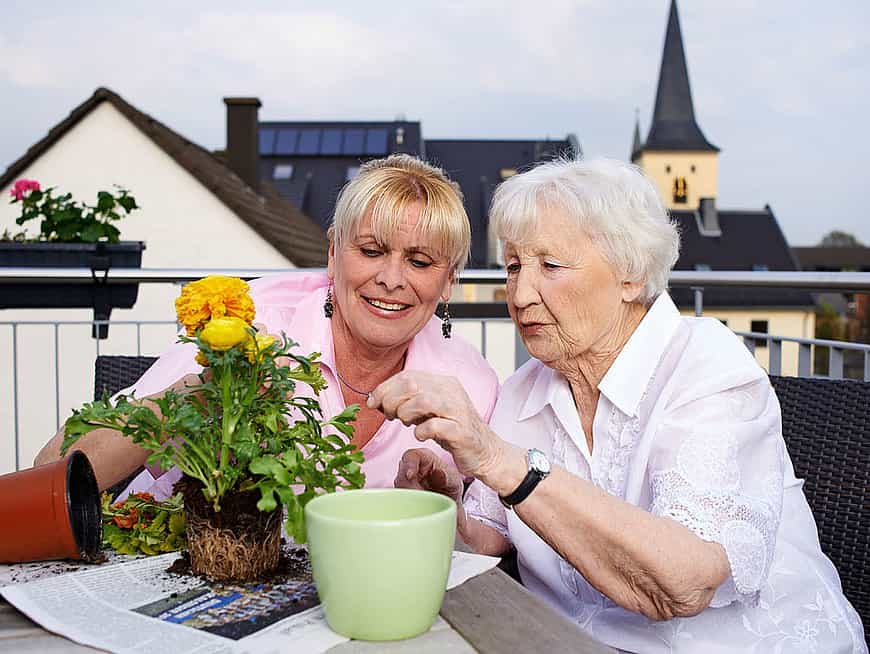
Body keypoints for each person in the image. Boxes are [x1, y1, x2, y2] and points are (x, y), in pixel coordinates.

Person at [371, 158, 866, 652]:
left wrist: (505, 463)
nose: (520, 294)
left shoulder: (707, 367)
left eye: (551, 266)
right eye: (514, 266)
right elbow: (495, 533)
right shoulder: (525, 388)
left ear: (630, 275)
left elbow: (686, 582)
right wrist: (449, 510)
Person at [35, 154, 498, 497]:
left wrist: (448, 505)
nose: (391, 280)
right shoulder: (249, 324)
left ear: (448, 282)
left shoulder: (471, 385)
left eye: (419, 261)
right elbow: (51, 469)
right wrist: (206, 389)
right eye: (371, 252)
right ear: (333, 254)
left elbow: (486, 541)